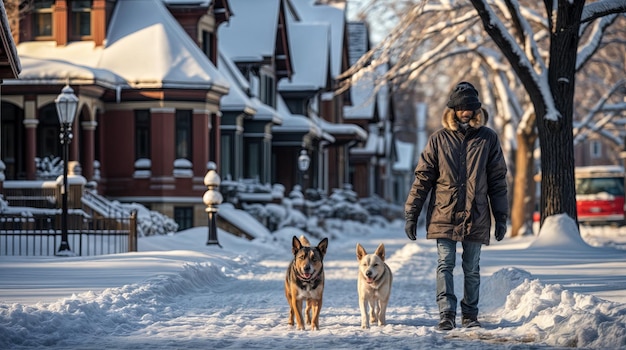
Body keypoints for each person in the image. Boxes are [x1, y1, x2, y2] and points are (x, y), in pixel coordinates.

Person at [404, 81, 508, 331]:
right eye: (461, 107)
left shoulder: (488, 138)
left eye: (470, 107)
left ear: (476, 109)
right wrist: (412, 213)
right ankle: (447, 313)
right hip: (444, 213)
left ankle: (470, 314)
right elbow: (423, 178)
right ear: (453, 109)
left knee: (471, 268)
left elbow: (497, 180)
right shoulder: (438, 139)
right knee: (445, 264)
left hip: (476, 213)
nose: (466, 112)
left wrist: (501, 216)